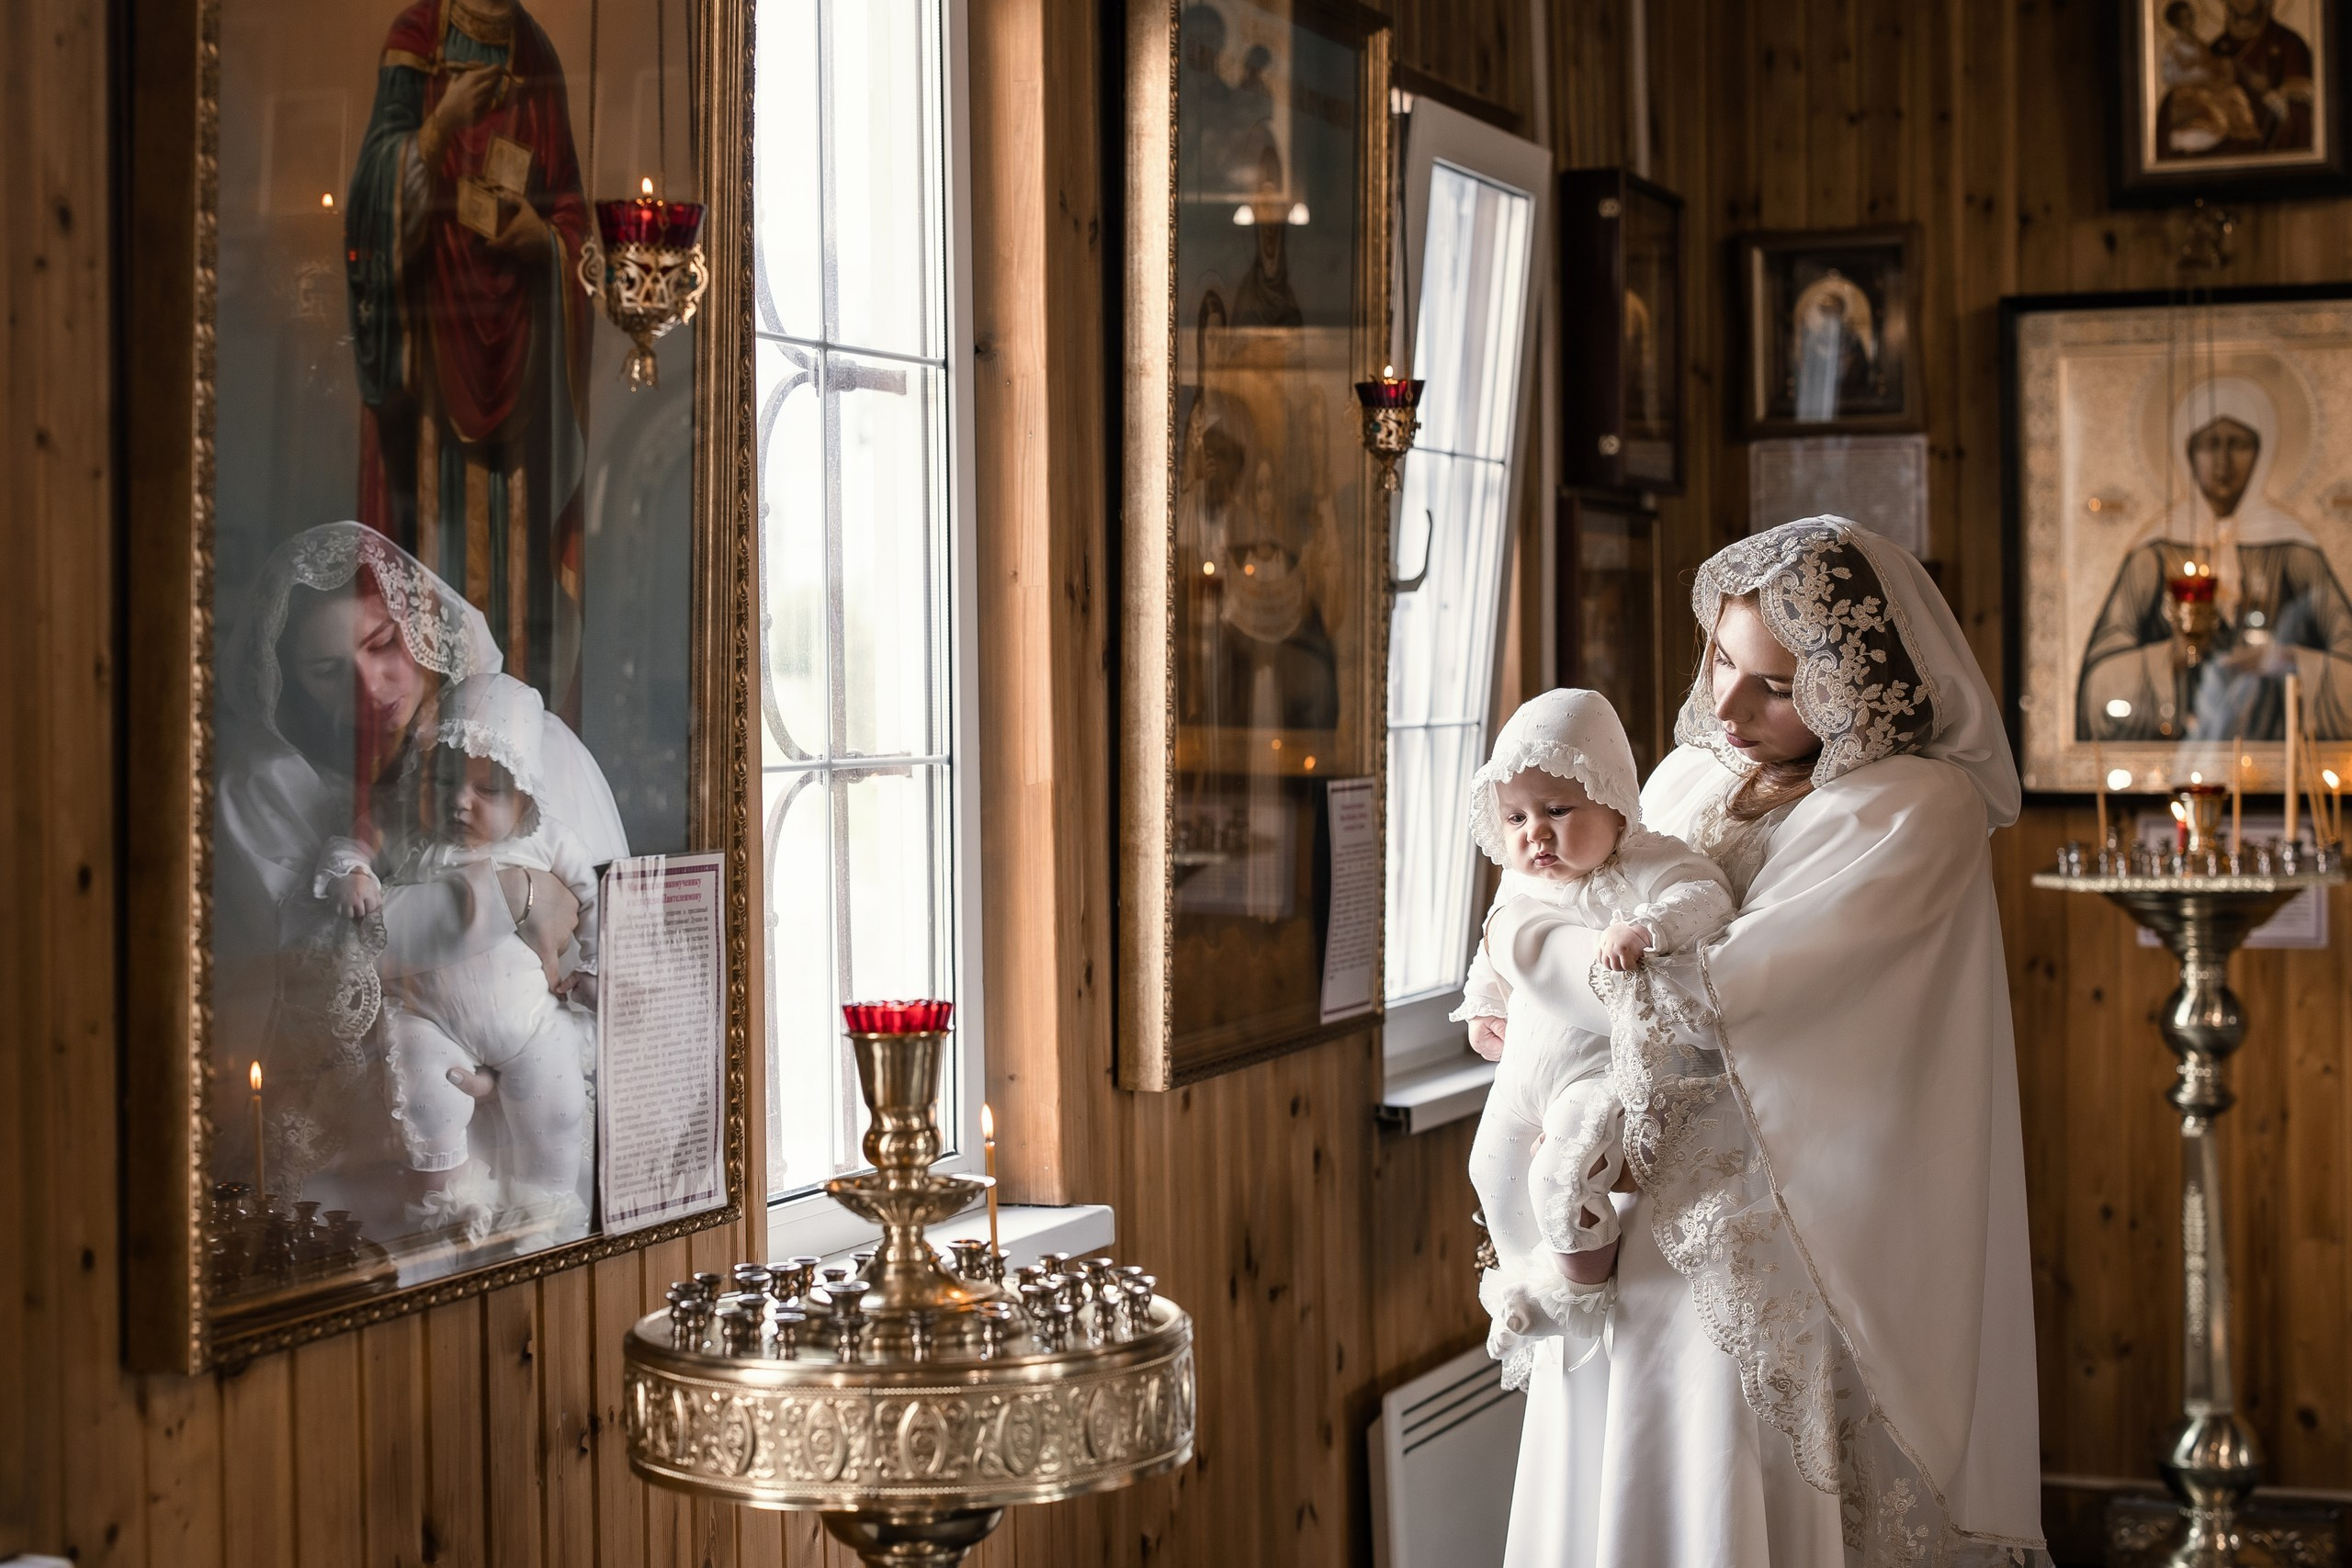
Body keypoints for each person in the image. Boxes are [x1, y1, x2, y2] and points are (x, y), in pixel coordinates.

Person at [1477, 517, 2045, 1565]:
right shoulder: (1695, 776)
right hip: (1630, 1211)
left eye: (1776, 687)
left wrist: (1526, 952)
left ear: (1853, 683)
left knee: (1712, 1490)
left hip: (1768, 1240)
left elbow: (1714, 998)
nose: (1729, 707)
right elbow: (1582, 890)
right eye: (1722, 663)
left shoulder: (1906, 809)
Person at [215, 523, 623, 1263]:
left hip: (539, 1138)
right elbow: (325, 956)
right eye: (324, 669)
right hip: (374, 1171)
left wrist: (537, 1056)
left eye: (381, 646)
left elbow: (616, 951)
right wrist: (513, 888)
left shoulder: (531, 746)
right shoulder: (268, 786)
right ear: (285, 679)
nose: (370, 688)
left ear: (423, 626)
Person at [1454, 689, 1734, 1392]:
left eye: (1557, 810)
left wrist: (1647, 929)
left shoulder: (1643, 864)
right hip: (1523, 1072)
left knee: (1561, 1172)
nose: (1535, 836)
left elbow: (1708, 896)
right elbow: (1490, 959)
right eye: (1516, 818)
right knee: (1490, 1167)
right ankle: (1522, 1283)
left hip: (1596, 1073)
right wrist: (1484, 1006)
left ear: (1614, 801)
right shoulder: (1520, 886)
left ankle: (1581, 1292)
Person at [345, 0, 594, 719]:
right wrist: (442, 122)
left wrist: (542, 241)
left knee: (515, 581)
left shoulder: (535, 54)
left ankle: (502, 773)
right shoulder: (417, 37)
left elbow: (571, 211)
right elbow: (369, 199)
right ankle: (426, 767)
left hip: (516, 369)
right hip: (429, 358)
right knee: (432, 550)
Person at [320, 673, 602, 1247]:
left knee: (558, 1106)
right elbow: (351, 843)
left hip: (526, 1025)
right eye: (446, 780)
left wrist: (595, 969)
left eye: (487, 789)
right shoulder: (407, 830)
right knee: (425, 1097)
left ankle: (543, 1213)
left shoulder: (547, 841)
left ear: (525, 792)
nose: (458, 800)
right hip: (431, 1017)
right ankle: (447, 1207)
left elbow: (598, 896)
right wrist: (352, 872)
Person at [2076, 377, 2352, 743]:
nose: (2223, 462)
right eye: (2209, 444)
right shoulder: (2152, 557)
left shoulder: (2297, 554)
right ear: (2186, 451)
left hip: (2276, 750)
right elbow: (2097, 683)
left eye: (2238, 444)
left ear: (2263, 449)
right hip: (2180, 753)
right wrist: (2169, 657)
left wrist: (2286, 658)